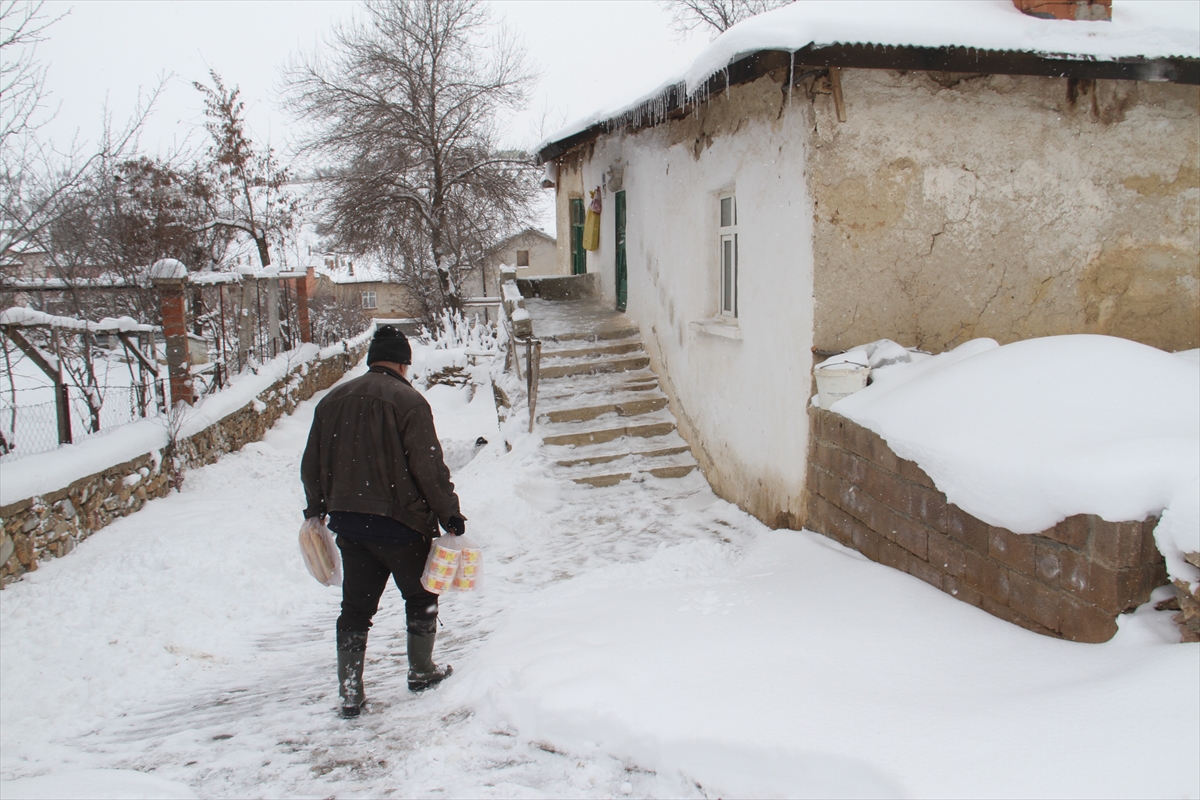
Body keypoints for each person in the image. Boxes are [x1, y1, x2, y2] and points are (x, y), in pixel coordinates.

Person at [301, 325, 467, 718]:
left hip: (350, 524)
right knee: (421, 596)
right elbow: (428, 467)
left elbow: (312, 464)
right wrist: (449, 514)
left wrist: (317, 508)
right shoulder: (408, 401)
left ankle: (350, 691)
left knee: (356, 609)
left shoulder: (331, 401)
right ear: (403, 362)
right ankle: (421, 671)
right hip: (401, 525)